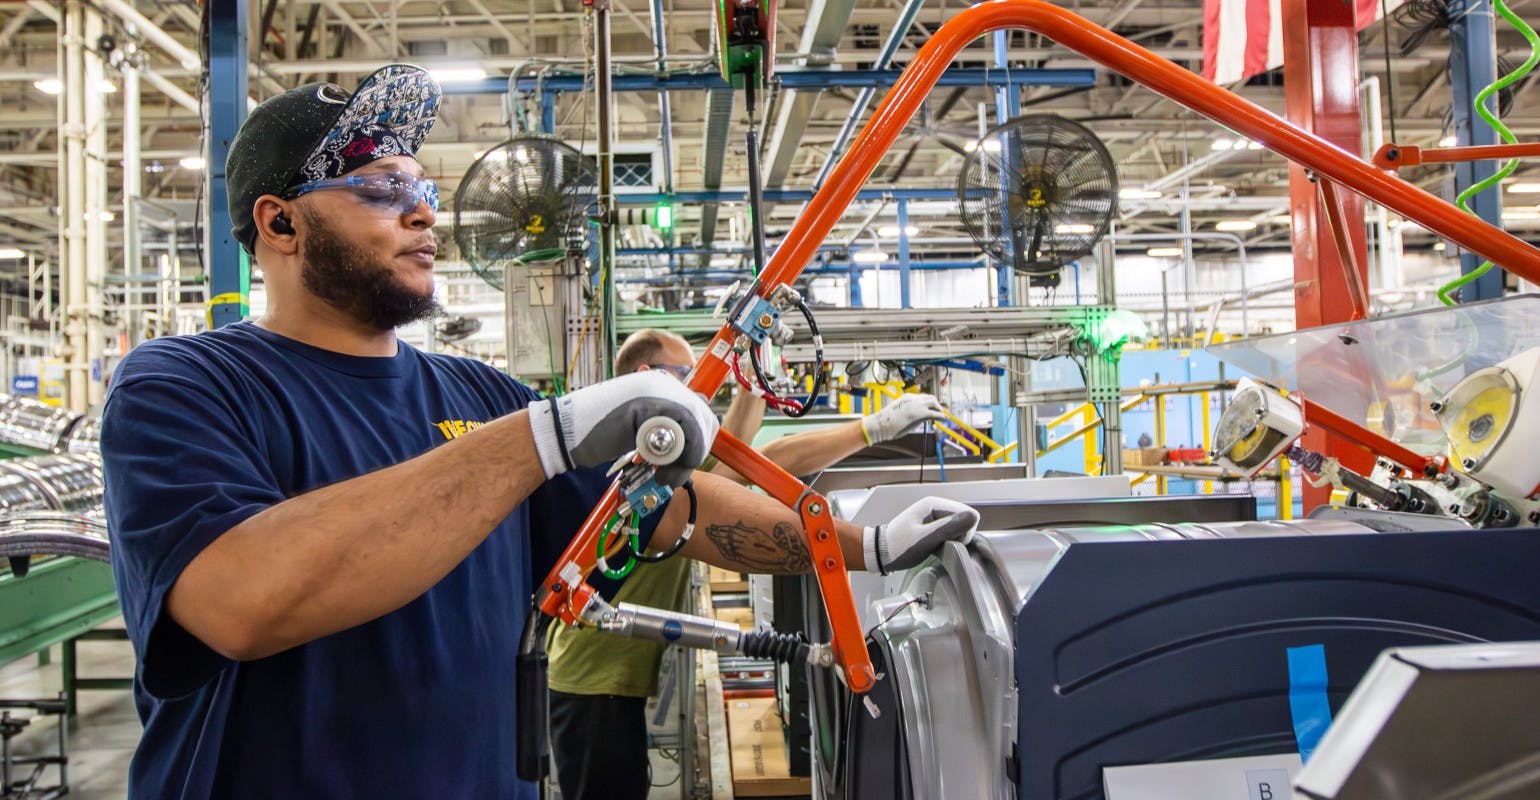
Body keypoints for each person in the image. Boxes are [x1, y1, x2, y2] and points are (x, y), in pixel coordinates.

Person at [99, 65, 979, 800]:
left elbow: (674, 510)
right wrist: (538, 438)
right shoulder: (187, 385)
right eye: (379, 189)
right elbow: (240, 600)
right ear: (279, 222)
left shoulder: (475, 391)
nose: (423, 215)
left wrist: (866, 546)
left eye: (423, 190)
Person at [547, 328, 950, 800]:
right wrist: (874, 544)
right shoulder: (638, 467)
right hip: (591, 684)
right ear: (647, 378)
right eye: (689, 376)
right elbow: (754, 455)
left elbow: (755, 457)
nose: (700, 389)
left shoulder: (660, 462)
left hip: (606, 681)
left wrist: (757, 378)